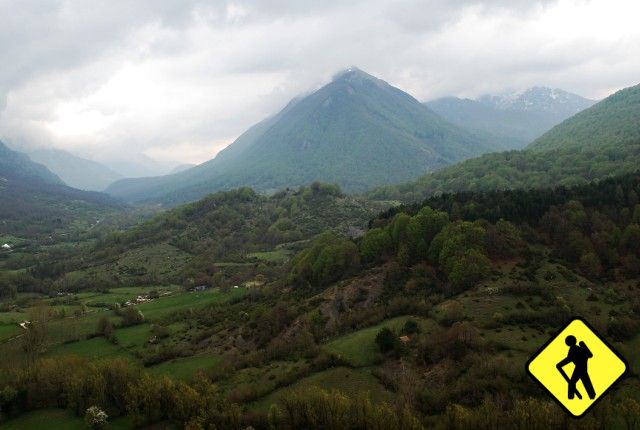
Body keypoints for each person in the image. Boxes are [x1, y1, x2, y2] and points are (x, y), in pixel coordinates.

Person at [556, 335, 596, 400]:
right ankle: (592, 396)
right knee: (586, 382)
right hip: (583, 368)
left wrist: (559, 364)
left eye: (567, 341)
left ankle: (571, 398)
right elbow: (589, 355)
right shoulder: (580, 348)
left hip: (579, 368)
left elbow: (569, 359)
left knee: (572, 383)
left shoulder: (573, 349)